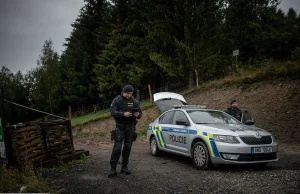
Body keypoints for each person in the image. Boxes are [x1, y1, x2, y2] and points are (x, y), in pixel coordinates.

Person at [108, 85, 142, 178]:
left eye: (130, 93)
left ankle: (124, 167)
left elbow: (140, 114)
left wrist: (137, 114)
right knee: (117, 147)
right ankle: (113, 169)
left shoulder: (135, 101)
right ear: (123, 92)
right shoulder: (117, 100)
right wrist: (123, 114)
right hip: (120, 127)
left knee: (127, 147)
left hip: (131, 127)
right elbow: (112, 111)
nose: (129, 95)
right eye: (127, 93)